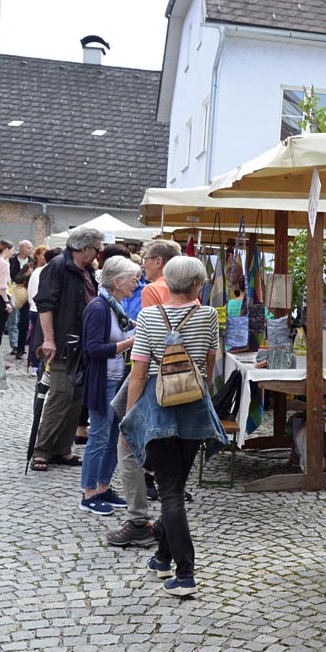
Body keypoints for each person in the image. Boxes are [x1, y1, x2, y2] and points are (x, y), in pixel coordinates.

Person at [120, 256, 227, 596]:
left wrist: (128, 422)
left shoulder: (149, 316)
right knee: (175, 488)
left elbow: (138, 374)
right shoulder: (207, 315)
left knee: (169, 492)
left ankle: (185, 574)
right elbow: (211, 366)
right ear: (197, 284)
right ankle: (163, 558)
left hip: (159, 410)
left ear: (167, 281)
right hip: (194, 409)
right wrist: (200, 394)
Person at [106, 239, 181, 547]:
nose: (142, 264)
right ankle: (167, 515)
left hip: (151, 379)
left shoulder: (153, 290)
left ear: (160, 262)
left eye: (147, 259)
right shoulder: (188, 293)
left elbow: (145, 353)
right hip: (178, 383)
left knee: (127, 442)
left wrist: (133, 415)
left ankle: (139, 520)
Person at [30, 228, 102, 472]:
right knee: (60, 396)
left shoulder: (87, 271)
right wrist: (48, 339)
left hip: (82, 345)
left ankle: (62, 449)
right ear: (83, 248)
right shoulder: (59, 266)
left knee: (75, 399)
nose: (98, 253)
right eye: (96, 248)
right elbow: (45, 304)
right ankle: (41, 450)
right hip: (60, 343)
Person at [78, 256, 141, 515]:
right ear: (117, 282)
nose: (136, 284)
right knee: (99, 436)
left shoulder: (116, 307)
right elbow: (92, 349)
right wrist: (130, 343)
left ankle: (103, 487)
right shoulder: (99, 308)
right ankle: (89, 492)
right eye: (133, 279)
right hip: (103, 382)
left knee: (114, 436)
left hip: (116, 381)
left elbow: (122, 331)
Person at [26, 246, 52, 370]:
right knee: (39, 338)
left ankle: (35, 364)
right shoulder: (46, 271)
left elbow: (30, 291)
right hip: (40, 309)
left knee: (34, 337)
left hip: (34, 308)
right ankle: (36, 364)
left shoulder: (37, 271)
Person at [8, 239, 33, 357]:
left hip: (27, 295)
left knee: (23, 322)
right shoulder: (12, 261)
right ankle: (15, 345)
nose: (30, 250)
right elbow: (13, 277)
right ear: (22, 248)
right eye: (28, 248)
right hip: (14, 293)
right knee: (13, 321)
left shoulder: (32, 262)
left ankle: (20, 349)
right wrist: (25, 275)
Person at [0, 240, 14, 347]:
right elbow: (2, 286)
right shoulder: (4, 263)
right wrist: (7, 302)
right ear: (6, 249)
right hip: (0, 298)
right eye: (11, 250)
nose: (12, 253)